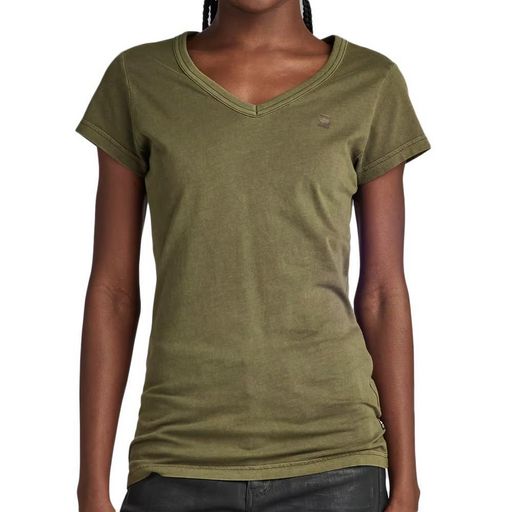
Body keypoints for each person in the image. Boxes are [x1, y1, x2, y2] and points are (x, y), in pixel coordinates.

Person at [75, 1, 431, 511]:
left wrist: (407, 482)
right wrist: (91, 486)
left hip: (337, 462)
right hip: (177, 459)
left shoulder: (370, 83)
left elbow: (382, 293)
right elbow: (112, 291)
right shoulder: (138, 80)